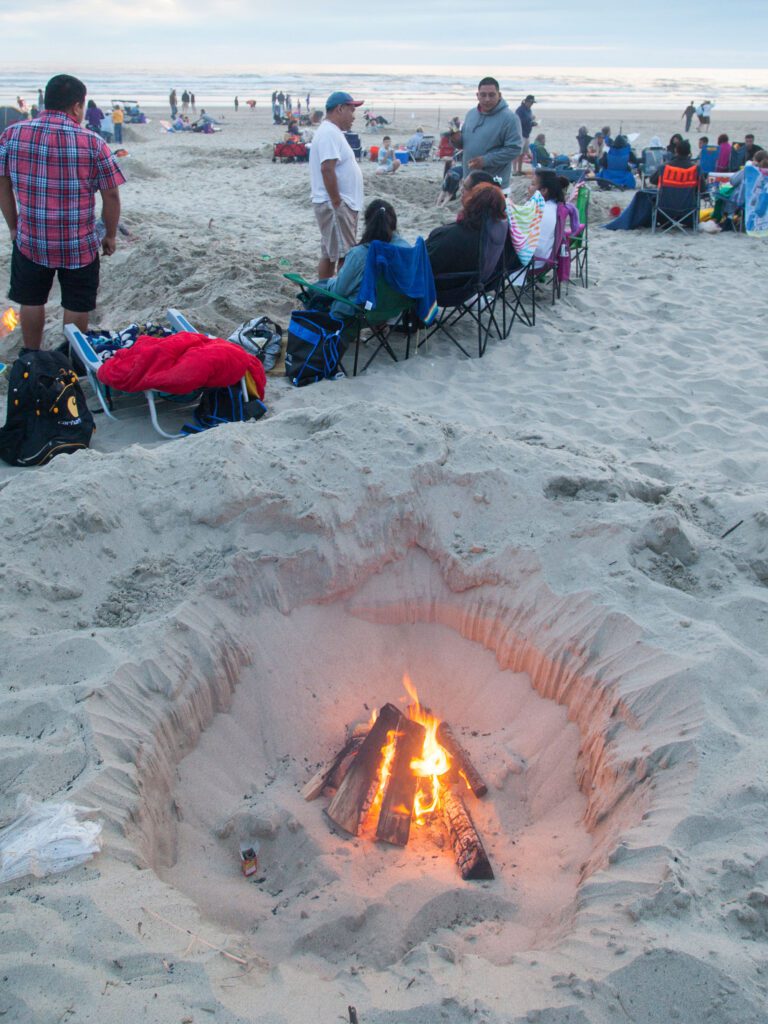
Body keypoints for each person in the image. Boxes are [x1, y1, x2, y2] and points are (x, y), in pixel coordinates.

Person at [0, 74, 125, 351]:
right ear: (77, 106)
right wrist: (111, 235)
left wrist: (13, 225)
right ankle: (71, 358)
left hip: (31, 238)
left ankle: (32, 355)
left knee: (31, 300)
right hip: (78, 241)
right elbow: (112, 195)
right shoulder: (93, 142)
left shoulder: (12, 134)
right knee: (76, 302)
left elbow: (2, 183)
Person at [320, 199, 408, 323]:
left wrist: (328, 283)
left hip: (361, 312)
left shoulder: (360, 254)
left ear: (368, 224)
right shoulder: (406, 249)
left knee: (317, 290)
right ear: (394, 223)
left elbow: (340, 290)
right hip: (394, 309)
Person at [309, 90, 364, 279]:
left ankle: (323, 295)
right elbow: (327, 168)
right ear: (339, 109)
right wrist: (337, 201)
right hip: (335, 205)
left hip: (337, 204)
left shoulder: (332, 132)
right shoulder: (329, 133)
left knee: (330, 253)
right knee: (345, 256)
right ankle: (339, 298)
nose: (354, 117)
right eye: (351, 110)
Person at [426, 181, 508, 279]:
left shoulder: (452, 235)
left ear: (471, 202)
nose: (462, 191)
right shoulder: (496, 233)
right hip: (472, 286)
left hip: (444, 288)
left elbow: (425, 265)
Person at [460, 76, 522, 190]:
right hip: (469, 182)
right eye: (483, 95)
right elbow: (465, 143)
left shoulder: (510, 118)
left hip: (494, 185)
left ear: (499, 95)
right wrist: (455, 140)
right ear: (477, 95)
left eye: (491, 95)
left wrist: (485, 161)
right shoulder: (471, 114)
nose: (487, 99)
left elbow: (515, 149)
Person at [513, 94, 537, 175]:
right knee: (517, 153)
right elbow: (518, 122)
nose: (531, 104)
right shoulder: (520, 110)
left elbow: (528, 122)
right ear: (526, 101)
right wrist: (530, 120)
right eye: (530, 102)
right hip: (520, 134)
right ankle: (514, 170)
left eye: (532, 103)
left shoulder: (529, 110)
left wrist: (533, 123)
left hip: (526, 134)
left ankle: (519, 169)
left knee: (523, 153)